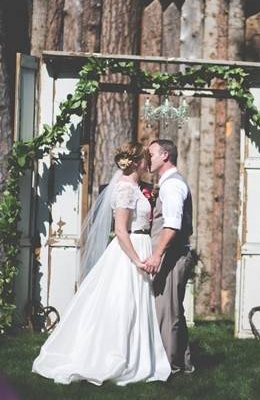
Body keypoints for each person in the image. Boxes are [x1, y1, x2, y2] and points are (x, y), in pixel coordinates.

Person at [33, 141, 171, 385]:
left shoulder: (133, 186)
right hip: (129, 251)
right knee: (122, 304)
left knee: (134, 305)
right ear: (138, 162)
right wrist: (137, 260)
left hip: (139, 244)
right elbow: (120, 230)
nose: (148, 163)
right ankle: (111, 356)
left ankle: (135, 355)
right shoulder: (125, 189)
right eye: (146, 159)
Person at [146, 139, 195, 374]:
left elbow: (172, 225)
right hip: (173, 253)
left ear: (165, 155)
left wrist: (156, 255)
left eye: (152, 154)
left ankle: (168, 368)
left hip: (172, 255)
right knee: (174, 310)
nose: (148, 158)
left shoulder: (172, 186)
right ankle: (183, 365)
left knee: (167, 312)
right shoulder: (168, 183)